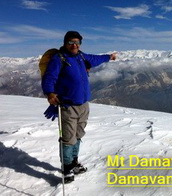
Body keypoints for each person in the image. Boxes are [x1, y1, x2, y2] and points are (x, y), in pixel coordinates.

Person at [41, 31, 116, 183]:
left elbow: (95, 58)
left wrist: (108, 57)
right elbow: (50, 77)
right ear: (64, 43)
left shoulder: (81, 56)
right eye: (71, 42)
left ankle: (74, 163)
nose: (74, 45)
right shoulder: (59, 59)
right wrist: (50, 93)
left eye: (77, 42)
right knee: (68, 139)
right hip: (68, 106)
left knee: (78, 135)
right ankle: (67, 168)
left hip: (83, 104)